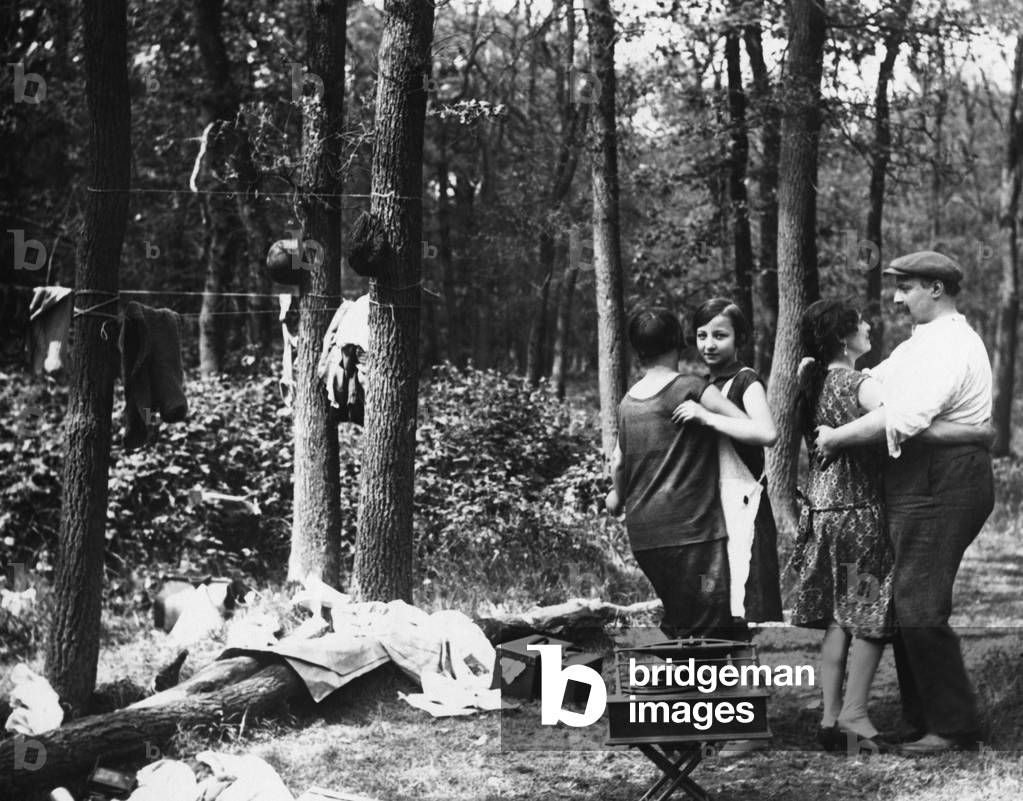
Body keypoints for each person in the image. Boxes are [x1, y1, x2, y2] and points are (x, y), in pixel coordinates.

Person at [816, 251, 995, 754]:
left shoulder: (951, 344)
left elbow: (903, 415)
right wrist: (975, 430)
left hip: (946, 482)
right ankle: (924, 720)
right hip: (924, 478)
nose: (896, 297)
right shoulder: (921, 343)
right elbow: (880, 389)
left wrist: (836, 439)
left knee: (918, 602)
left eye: (907, 286)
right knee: (903, 600)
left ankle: (955, 728)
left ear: (936, 289)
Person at [605, 308, 750, 640]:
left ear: (637, 350)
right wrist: (707, 417)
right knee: (711, 621)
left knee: (683, 613)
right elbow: (745, 424)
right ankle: (707, 687)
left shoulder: (628, 403)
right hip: (693, 532)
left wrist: (617, 496)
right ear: (679, 343)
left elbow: (617, 463)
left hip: (646, 537)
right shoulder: (690, 387)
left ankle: (680, 674)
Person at [672, 299, 783, 631]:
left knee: (749, 601)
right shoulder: (702, 385)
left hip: (744, 501)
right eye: (702, 335)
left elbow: (767, 433)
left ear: (740, 339)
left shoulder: (746, 381)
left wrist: (707, 417)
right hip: (712, 505)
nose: (708, 344)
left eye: (719, 335)